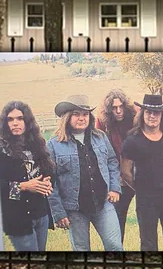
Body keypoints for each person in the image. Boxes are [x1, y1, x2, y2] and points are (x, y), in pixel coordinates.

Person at [46, 94, 123, 251]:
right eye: (76, 114)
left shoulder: (100, 137)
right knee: (81, 250)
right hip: (75, 210)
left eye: (85, 114)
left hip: (103, 203)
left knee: (114, 246)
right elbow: (49, 183)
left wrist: (114, 187)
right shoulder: (54, 145)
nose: (81, 118)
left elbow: (112, 162)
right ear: (66, 117)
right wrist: (59, 213)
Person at [120, 94, 163, 251]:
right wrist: (142, 187)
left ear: (162, 115)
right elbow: (125, 172)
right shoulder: (132, 140)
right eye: (148, 112)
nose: (152, 116)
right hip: (146, 199)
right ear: (142, 114)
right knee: (148, 243)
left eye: (156, 113)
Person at [0, 100, 55, 251]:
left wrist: (47, 182)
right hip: (17, 218)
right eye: (10, 119)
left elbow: (49, 172)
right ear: (5, 123)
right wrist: (23, 186)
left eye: (20, 118)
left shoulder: (38, 146)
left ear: (27, 121)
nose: (15, 123)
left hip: (40, 213)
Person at [95, 89, 137, 244]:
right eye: (114, 108)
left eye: (121, 107)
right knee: (119, 216)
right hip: (118, 177)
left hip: (139, 171)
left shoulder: (135, 118)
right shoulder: (102, 123)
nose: (118, 111)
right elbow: (101, 151)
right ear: (108, 110)